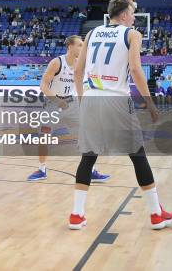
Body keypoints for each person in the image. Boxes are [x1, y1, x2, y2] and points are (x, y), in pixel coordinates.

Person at [70, 0, 172, 230]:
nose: (135, 17)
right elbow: (136, 69)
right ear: (125, 15)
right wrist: (149, 102)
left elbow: (77, 71)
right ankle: (156, 214)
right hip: (116, 99)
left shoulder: (92, 33)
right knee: (138, 155)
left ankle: (76, 215)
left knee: (88, 157)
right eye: (133, 13)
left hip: (92, 97)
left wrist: (82, 99)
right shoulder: (132, 34)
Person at [27, 35, 110, 182]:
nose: (82, 47)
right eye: (79, 45)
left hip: (71, 104)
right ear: (70, 46)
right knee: (44, 137)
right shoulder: (57, 62)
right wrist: (57, 100)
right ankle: (41, 169)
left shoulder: (80, 64)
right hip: (52, 103)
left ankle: (90, 170)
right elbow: (43, 85)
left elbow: (79, 85)